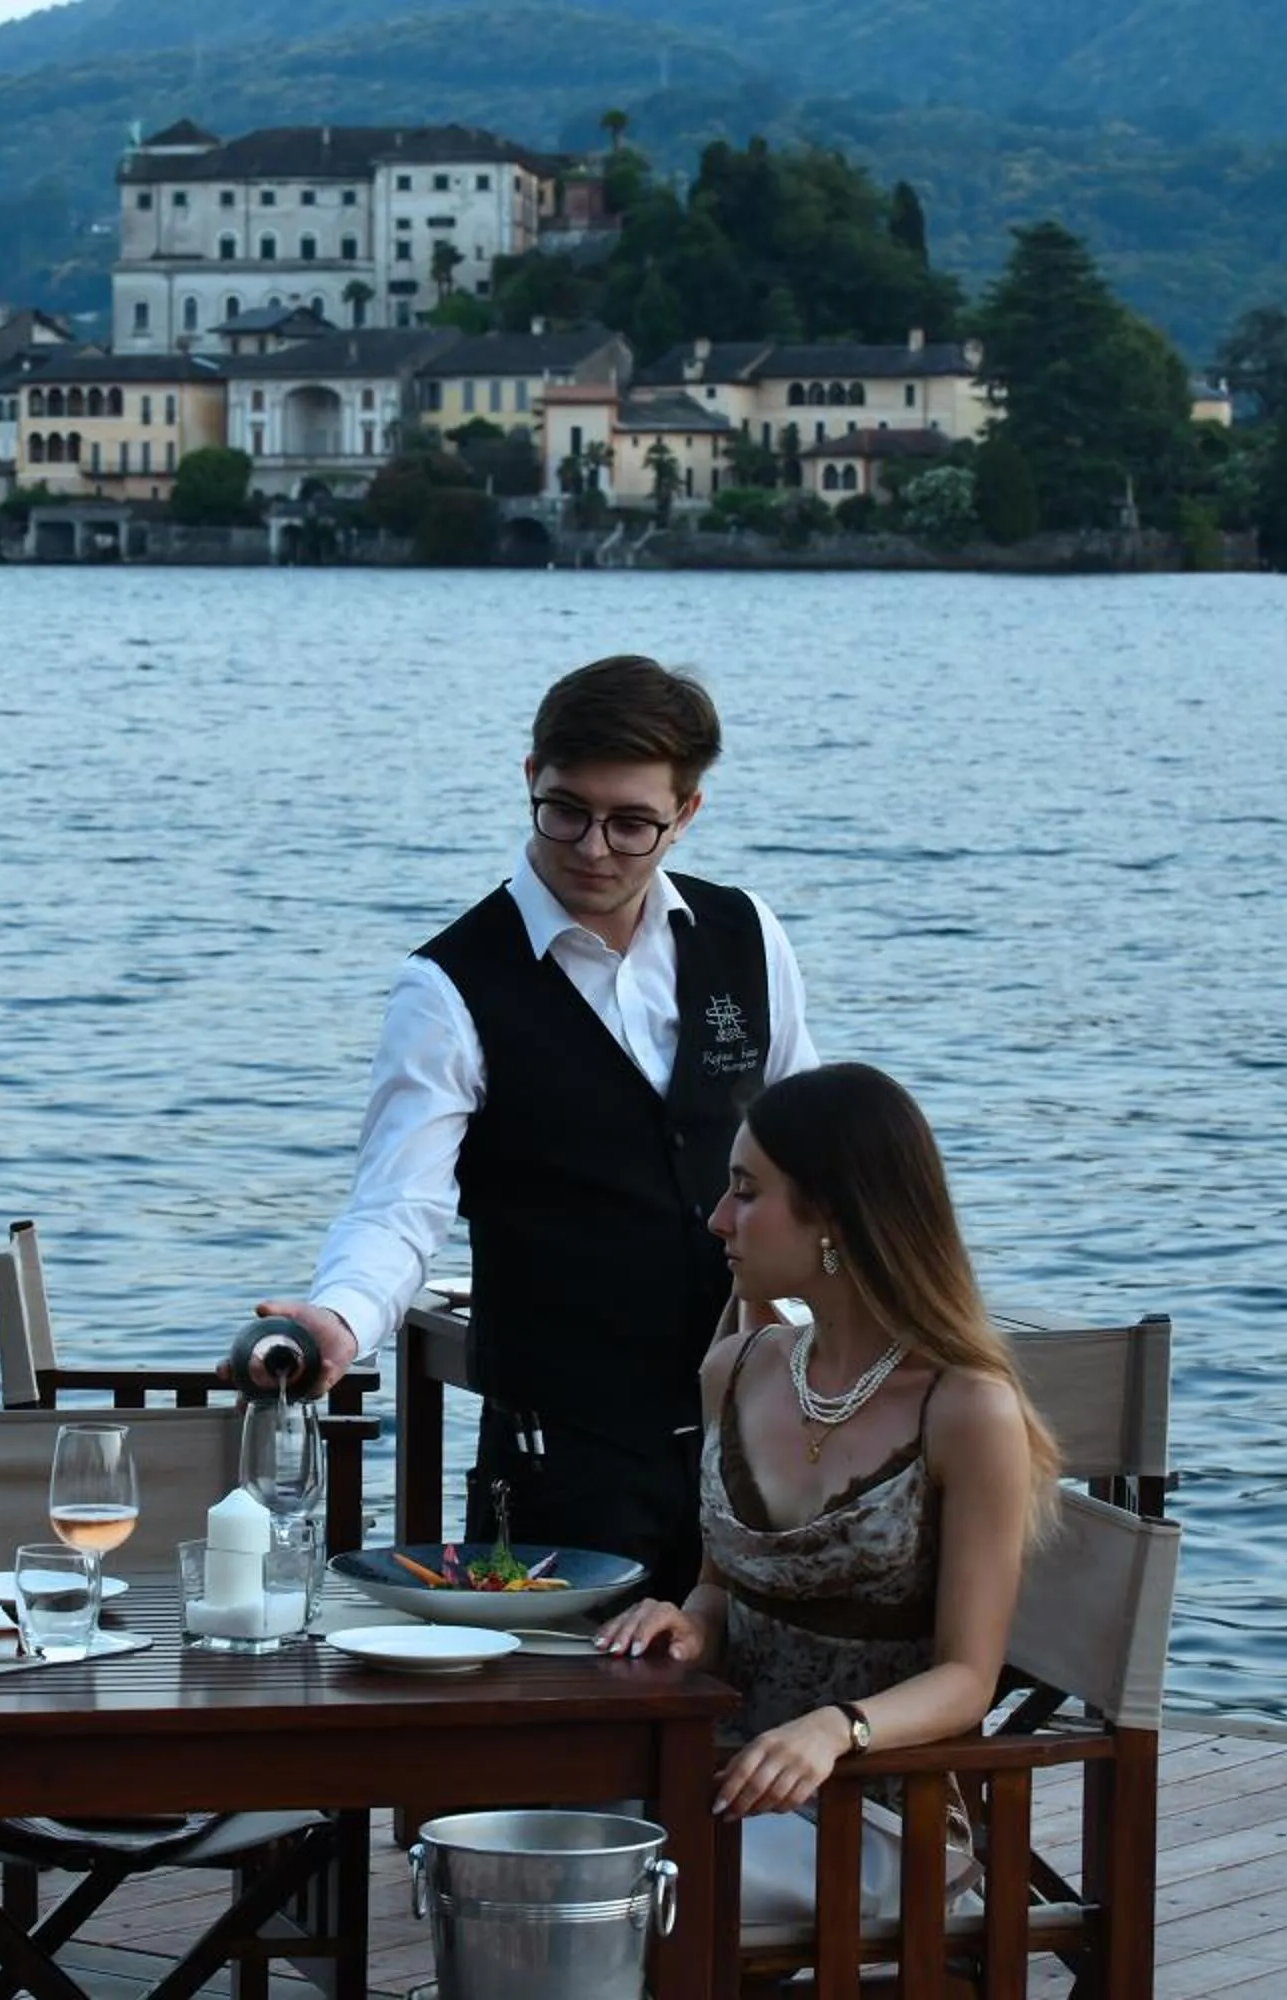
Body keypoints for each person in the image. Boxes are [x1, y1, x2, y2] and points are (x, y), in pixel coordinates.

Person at [247, 655, 816, 1598]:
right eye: (566, 810)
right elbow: (399, 1207)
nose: (593, 847)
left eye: (632, 823)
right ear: (529, 781)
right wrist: (342, 1321)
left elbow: (819, 1156)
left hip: (757, 1441)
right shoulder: (448, 988)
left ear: (687, 814)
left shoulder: (745, 934)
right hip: (564, 1466)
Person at [593, 1062, 1058, 1929]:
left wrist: (832, 1731)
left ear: (836, 1217)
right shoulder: (739, 1370)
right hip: (728, 1774)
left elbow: (967, 1679)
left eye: (746, 1191)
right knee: (525, 1833)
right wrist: (690, 1624)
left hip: (885, 1809)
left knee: (603, 1881)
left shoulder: (965, 1408)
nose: (718, 1218)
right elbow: (722, 1585)